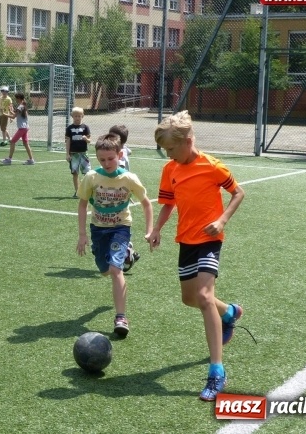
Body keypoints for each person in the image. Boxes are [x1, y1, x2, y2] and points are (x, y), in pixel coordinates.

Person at [147, 110, 245, 402]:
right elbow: (168, 203)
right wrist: (156, 229)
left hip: (210, 239)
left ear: (188, 141)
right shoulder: (171, 169)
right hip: (186, 240)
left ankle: (217, 372)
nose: (169, 154)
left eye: (171, 149)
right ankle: (229, 312)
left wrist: (222, 221)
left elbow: (238, 193)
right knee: (189, 298)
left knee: (203, 296)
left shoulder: (212, 166)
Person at [76, 132, 153, 340]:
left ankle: (121, 317)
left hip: (121, 227)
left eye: (111, 158)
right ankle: (125, 252)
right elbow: (83, 204)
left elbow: (146, 203)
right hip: (98, 229)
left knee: (115, 268)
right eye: (102, 159)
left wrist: (149, 229)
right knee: (104, 269)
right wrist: (82, 234)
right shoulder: (91, 177)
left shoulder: (129, 179)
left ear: (120, 155)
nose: (107, 163)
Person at [109, 125, 140, 272]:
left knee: (113, 226)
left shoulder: (119, 155)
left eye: (112, 137)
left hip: (116, 196)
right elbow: (129, 150)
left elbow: (118, 174)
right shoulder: (124, 149)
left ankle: (127, 251)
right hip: (122, 194)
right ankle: (127, 248)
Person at [1, 92, 35, 165]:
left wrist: (4, 114)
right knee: (26, 143)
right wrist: (10, 111)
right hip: (25, 127)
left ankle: (9, 159)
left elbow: (13, 116)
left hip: (22, 128)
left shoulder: (20, 106)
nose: (16, 100)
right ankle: (31, 160)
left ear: (19, 98)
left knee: (12, 142)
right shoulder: (23, 106)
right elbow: (16, 115)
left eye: (16, 98)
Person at [64, 107, 91, 198]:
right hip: (73, 154)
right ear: (72, 116)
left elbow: (89, 140)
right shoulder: (69, 128)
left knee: (87, 173)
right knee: (75, 173)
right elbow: (67, 141)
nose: (77, 118)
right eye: (75, 116)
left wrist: (86, 139)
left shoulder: (85, 127)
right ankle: (77, 191)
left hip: (83, 154)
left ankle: (86, 190)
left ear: (82, 116)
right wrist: (67, 154)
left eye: (79, 116)